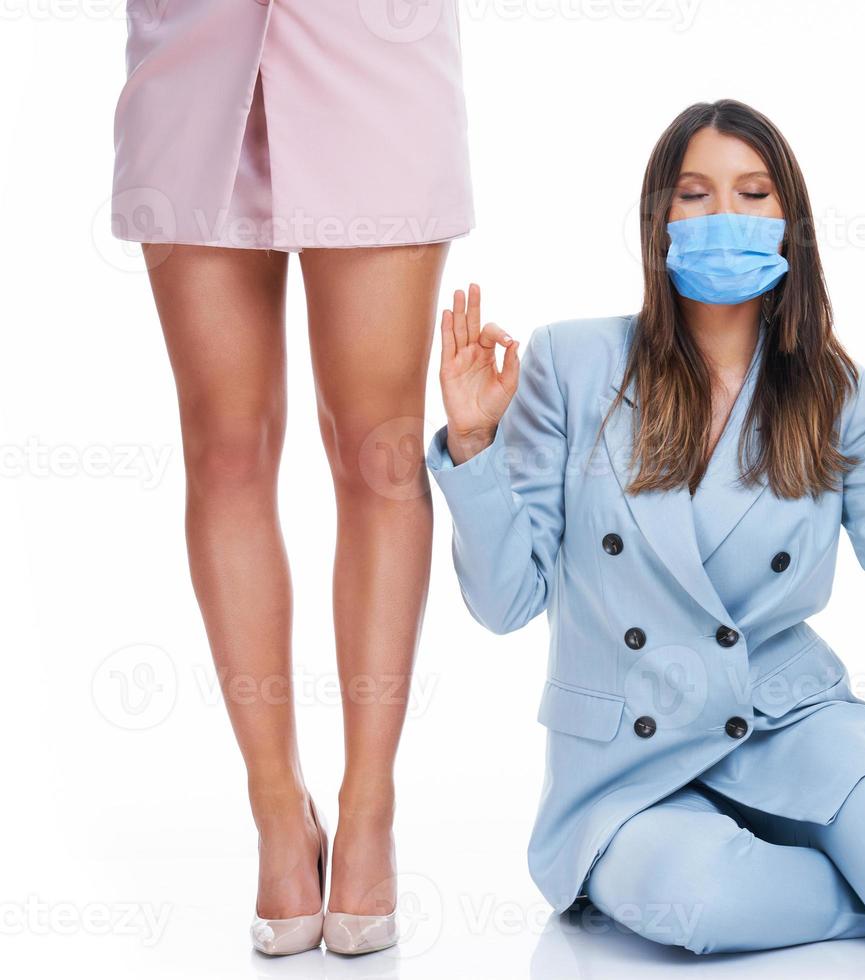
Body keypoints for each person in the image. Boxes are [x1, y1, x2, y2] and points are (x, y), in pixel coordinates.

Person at [429, 99, 865, 954]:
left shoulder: (835, 393)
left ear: (790, 225)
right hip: (627, 768)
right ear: (660, 220)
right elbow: (503, 601)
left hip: (796, 725)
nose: (725, 216)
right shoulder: (569, 364)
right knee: (706, 904)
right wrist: (472, 443)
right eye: (695, 194)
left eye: (754, 194)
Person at [111, 0, 474, 955]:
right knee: (223, 448)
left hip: (374, 48)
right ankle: (278, 813)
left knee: (378, 450)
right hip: (194, 55)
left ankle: (367, 810)